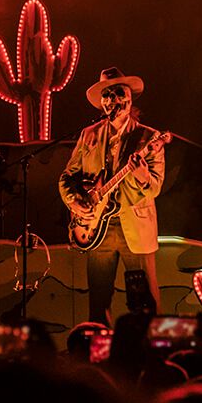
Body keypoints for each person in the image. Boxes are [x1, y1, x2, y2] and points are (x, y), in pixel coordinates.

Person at [59, 67, 165, 325]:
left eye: (119, 93)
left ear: (130, 99)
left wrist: (141, 175)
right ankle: (98, 357)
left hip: (135, 227)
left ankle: (146, 358)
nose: (113, 100)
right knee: (98, 301)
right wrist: (75, 202)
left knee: (143, 303)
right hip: (97, 229)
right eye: (107, 95)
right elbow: (67, 177)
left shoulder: (149, 138)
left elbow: (155, 186)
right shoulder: (89, 135)